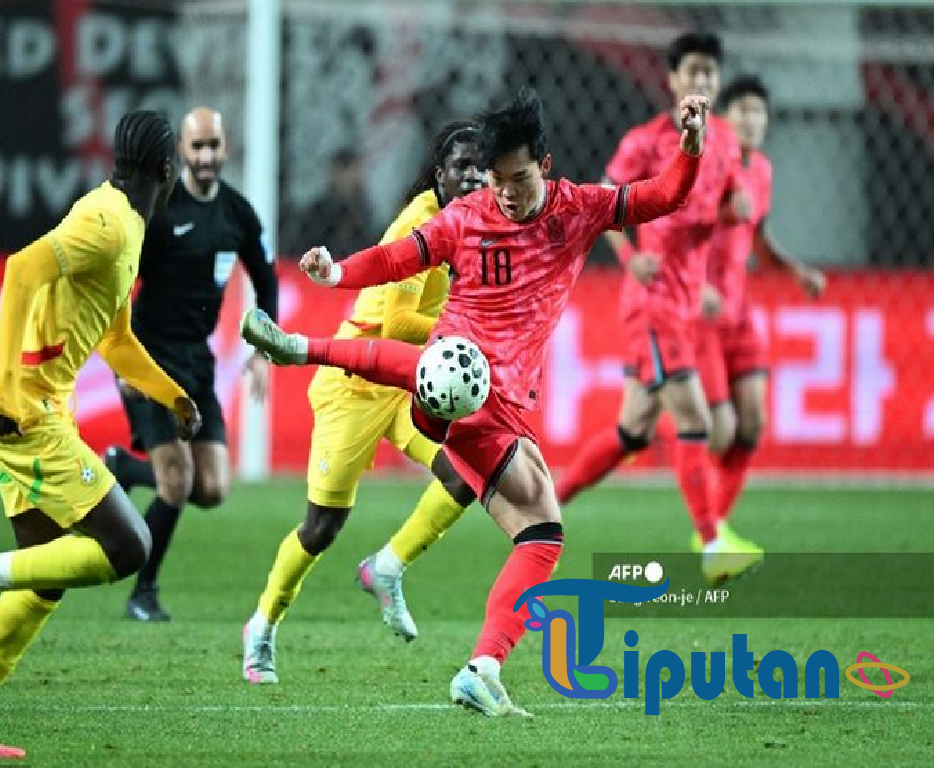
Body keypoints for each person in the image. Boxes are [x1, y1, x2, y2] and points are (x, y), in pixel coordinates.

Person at [239, 86, 709, 716]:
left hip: (485, 401)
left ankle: (467, 648)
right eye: (495, 180)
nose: (505, 193)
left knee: (532, 533)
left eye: (516, 179)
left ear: (543, 167)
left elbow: (662, 196)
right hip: (469, 395)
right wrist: (337, 274)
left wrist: (690, 148)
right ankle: (481, 665)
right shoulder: (467, 217)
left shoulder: (578, 209)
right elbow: (399, 257)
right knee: (543, 530)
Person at [0, 111, 201, 759]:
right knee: (129, 546)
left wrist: (171, 394)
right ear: (167, 172)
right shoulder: (108, 223)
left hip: (23, 403)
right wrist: (21, 391)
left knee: (45, 578)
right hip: (26, 410)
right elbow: (22, 269)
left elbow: (115, 339)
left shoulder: (121, 223)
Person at [242, 121, 483, 684]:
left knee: (464, 477)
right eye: (459, 166)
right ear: (438, 172)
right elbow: (397, 320)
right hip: (356, 377)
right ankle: (262, 626)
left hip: (406, 382)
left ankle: (388, 566)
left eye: (479, 167)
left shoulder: (476, 220)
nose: (470, 176)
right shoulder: (419, 224)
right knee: (322, 528)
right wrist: (462, 335)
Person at [554, 32, 760, 584]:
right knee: (693, 418)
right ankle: (713, 542)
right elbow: (604, 197)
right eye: (691, 72)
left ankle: (548, 501)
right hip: (653, 302)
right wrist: (627, 253)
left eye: (709, 74)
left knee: (635, 430)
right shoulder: (646, 141)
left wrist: (736, 210)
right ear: (671, 80)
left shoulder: (722, 138)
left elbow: (724, 203)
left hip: (688, 302)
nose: (701, 82)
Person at [102, 106, 278, 622]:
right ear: (181, 151)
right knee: (176, 482)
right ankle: (143, 592)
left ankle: (122, 468)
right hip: (152, 358)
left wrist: (264, 349)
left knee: (212, 488)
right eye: (196, 147)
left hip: (197, 361)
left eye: (213, 146)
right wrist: (122, 362)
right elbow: (120, 283)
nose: (205, 156)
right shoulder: (160, 209)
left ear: (226, 149)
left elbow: (265, 281)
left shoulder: (238, 214)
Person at [692, 74, 825, 548]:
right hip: (700, 310)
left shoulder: (762, 172)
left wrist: (797, 271)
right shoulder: (705, 166)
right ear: (723, 119)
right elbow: (677, 228)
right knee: (720, 428)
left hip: (740, 309)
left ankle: (714, 528)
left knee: (753, 423)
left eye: (759, 112)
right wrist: (696, 282)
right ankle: (681, 430)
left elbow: (758, 241)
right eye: (742, 110)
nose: (752, 120)